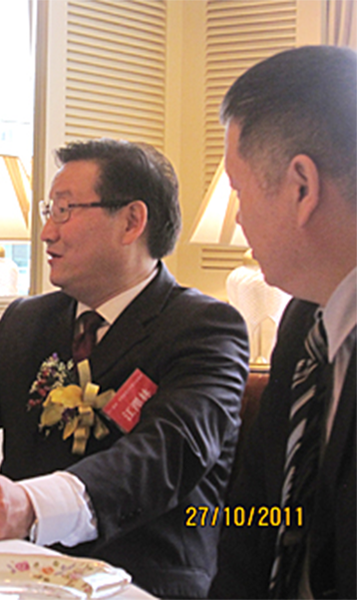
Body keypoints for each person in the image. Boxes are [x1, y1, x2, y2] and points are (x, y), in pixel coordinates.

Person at [0, 138, 250, 599]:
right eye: (48, 211)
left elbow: (166, 454)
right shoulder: (29, 320)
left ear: (131, 222)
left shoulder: (204, 328)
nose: (45, 233)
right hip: (12, 575)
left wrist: (31, 505)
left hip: (140, 580)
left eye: (64, 210)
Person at [209, 46, 356, 600]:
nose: (239, 215)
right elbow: (256, 516)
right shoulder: (304, 325)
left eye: (238, 189)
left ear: (301, 188)